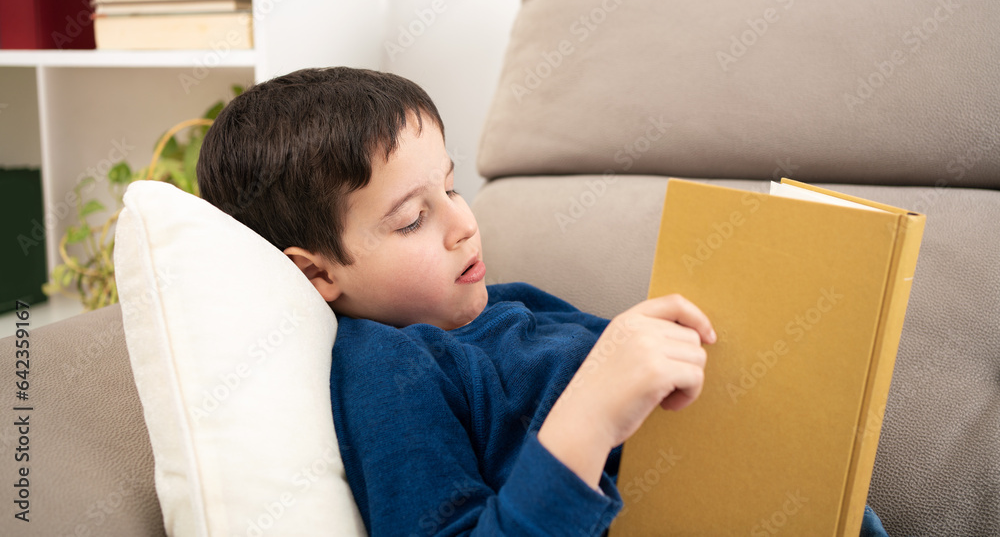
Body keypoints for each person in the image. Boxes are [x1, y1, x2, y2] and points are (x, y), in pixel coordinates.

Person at [196, 66, 891, 537]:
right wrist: (590, 412)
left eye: (452, 186)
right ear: (319, 276)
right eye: (413, 218)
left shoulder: (513, 303)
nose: (463, 222)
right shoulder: (388, 368)